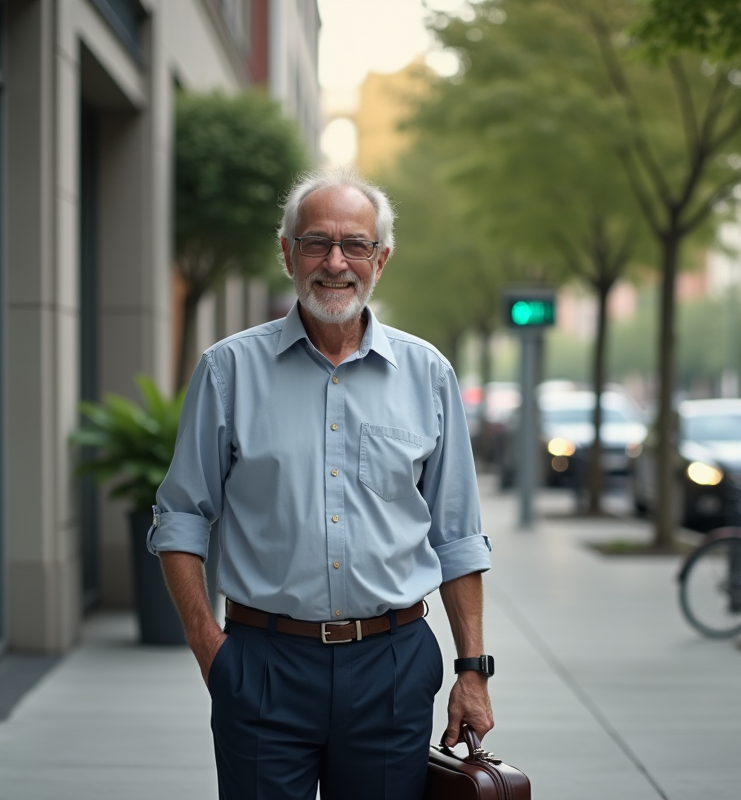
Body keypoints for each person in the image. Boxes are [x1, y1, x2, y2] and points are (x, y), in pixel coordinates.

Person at [147, 166, 494, 800]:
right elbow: (180, 517)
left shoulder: (428, 375)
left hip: (392, 665)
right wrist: (210, 649)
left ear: (380, 259)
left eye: (355, 244)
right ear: (287, 253)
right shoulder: (228, 371)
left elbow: (458, 537)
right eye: (316, 242)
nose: (335, 262)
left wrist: (472, 671)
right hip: (263, 665)